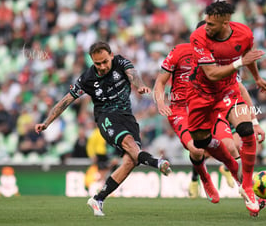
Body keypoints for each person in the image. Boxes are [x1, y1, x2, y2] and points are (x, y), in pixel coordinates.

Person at [35, 41, 171, 217]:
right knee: (129, 144)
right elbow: (66, 100)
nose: (102, 66)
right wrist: (47, 122)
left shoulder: (120, 63)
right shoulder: (87, 78)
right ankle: (157, 163)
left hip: (127, 117)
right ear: (92, 60)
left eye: (105, 61)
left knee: (131, 161)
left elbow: (133, 75)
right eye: (97, 63)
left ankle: (98, 199)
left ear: (111, 56)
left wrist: (139, 86)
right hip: (106, 117)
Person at [187, 0, 266, 215]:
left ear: (225, 22)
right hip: (202, 96)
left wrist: (257, 78)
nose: (206, 27)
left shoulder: (244, 34)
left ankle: (249, 187)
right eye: (205, 22)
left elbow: (248, 56)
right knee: (200, 142)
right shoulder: (198, 38)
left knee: (246, 132)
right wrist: (239, 64)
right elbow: (212, 74)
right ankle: (231, 168)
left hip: (228, 91)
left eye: (211, 24)